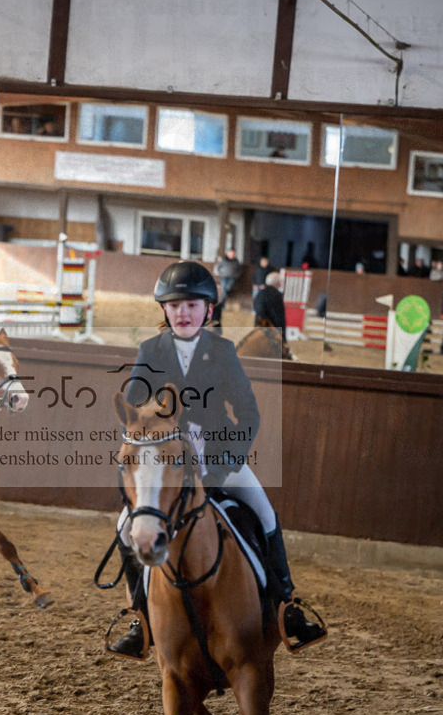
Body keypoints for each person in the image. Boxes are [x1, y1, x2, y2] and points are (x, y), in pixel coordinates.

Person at [107, 259, 326, 659]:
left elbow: (248, 415)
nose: (183, 313)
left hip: (218, 459)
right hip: (169, 464)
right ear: (165, 310)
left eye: (192, 305)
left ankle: (287, 605)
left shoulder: (222, 351)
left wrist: (225, 463)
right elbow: (135, 406)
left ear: (208, 309)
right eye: (175, 305)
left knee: (265, 514)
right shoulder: (150, 350)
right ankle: (140, 618)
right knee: (125, 527)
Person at [253, 272, 287, 343]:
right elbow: (279, 317)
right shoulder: (277, 295)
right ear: (278, 283)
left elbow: (256, 308)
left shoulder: (260, 293)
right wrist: (283, 335)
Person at [213, 247, 243, 325]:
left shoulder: (236, 261)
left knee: (227, 288)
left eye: (233, 253)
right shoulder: (223, 260)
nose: (231, 254)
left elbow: (239, 270)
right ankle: (222, 305)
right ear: (228, 253)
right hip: (224, 277)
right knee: (224, 290)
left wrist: (236, 276)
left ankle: (222, 303)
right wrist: (221, 273)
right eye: (230, 253)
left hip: (232, 278)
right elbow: (218, 267)